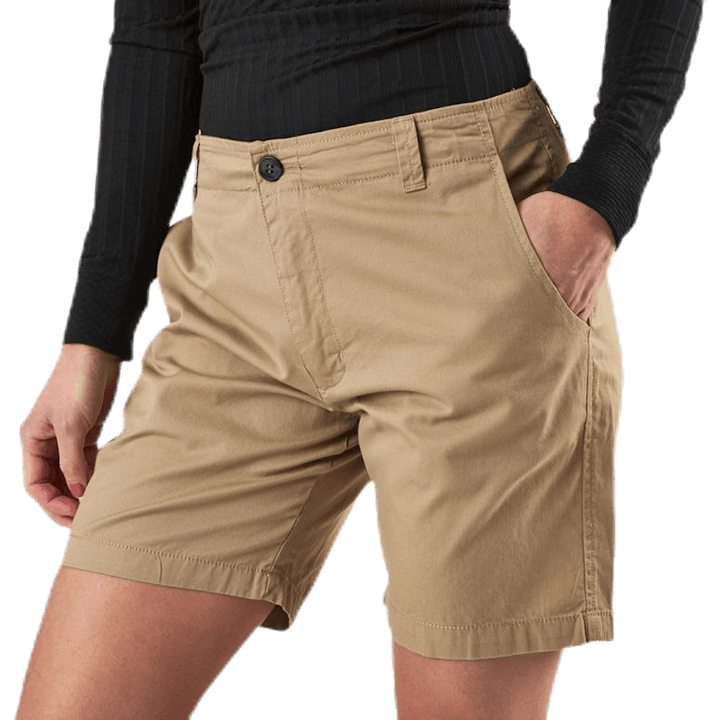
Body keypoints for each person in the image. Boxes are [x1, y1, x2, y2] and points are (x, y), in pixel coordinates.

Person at [16, 1, 704, 718]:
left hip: (467, 247)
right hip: (233, 277)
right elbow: (154, 31)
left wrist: (607, 190)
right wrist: (92, 338)